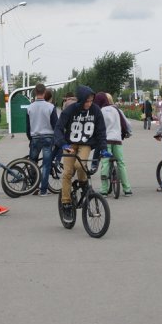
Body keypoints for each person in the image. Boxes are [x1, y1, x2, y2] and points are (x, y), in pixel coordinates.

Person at [54, 85, 110, 222]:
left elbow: (101, 131)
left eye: (91, 101)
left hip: (85, 144)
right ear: (81, 100)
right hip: (70, 145)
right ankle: (66, 203)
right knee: (67, 173)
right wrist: (63, 144)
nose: (89, 104)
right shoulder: (70, 110)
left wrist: (103, 149)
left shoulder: (96, 110)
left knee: (80, 166)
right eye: (86, 101)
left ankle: (83, 183)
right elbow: (59, 128)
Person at [94, 92, 132, 197]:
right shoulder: (117, 110)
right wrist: (128, 133)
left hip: (105, 141)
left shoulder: (100, 111)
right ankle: (127, 189)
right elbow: (127, 124)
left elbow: (97, 127)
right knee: (121, 163)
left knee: (105, 163)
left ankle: (104, 190)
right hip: (117, 140)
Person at [26, 83, 58, 196]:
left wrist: (31, 138)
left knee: (32, 163)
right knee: (46, 164)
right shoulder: (50, 107)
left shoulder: (30, 107)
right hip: (48, 137)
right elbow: (56, 125)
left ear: (35, 92)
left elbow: (28, 127)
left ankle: (34, 188)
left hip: (35, 137)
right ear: (44, 93)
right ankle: (43, 190)